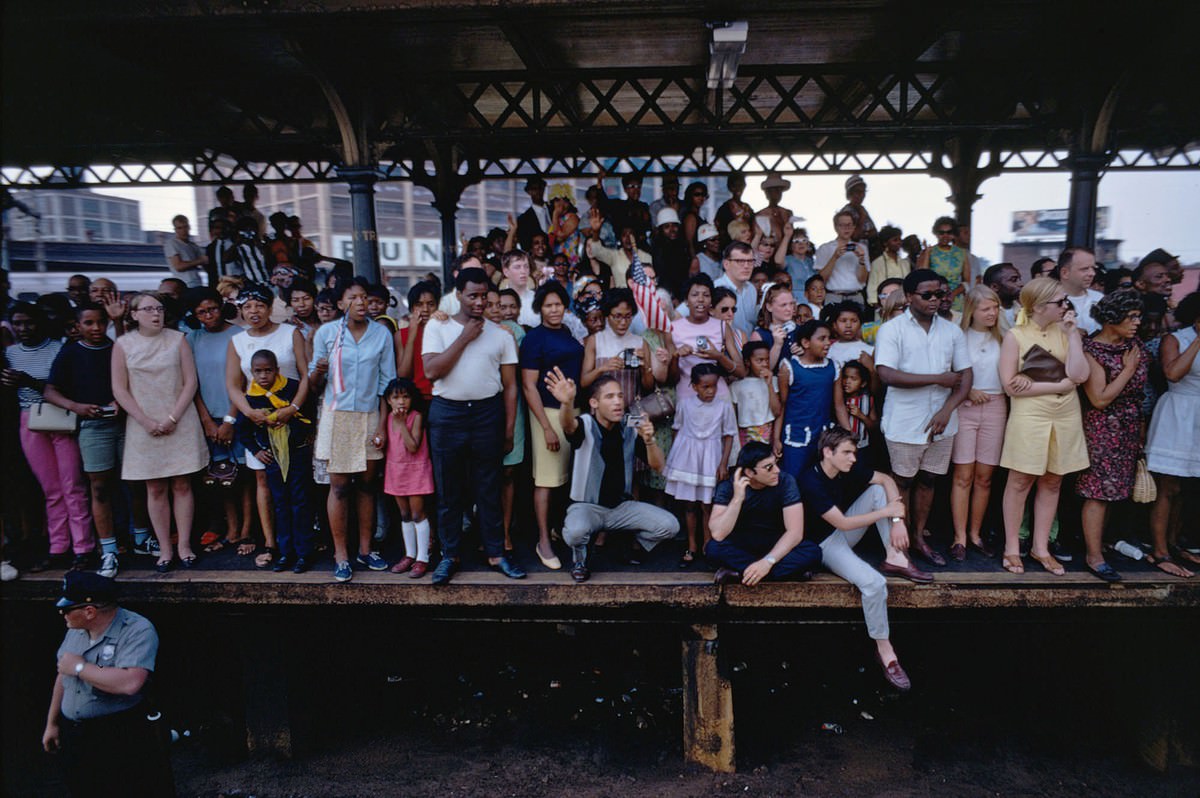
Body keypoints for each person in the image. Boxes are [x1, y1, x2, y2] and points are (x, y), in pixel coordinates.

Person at [800, 427, 930, 692]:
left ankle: (896, 557)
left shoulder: (847, 467)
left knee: (878, 492)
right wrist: (888, 511)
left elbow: (886, 479)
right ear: (828, 452)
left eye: (854, 453)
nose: (853, 458)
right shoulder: (810, 481)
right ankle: (886, 652)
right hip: (825, 545)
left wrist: (896, 520)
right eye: (847, 453)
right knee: (874, 584)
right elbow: (843, 523)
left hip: (842, 533)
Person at [422, 268, 524, 585]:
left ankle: (496, 553)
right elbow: (431, 371)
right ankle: (449, 556)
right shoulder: (437, 327)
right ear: (458, 295)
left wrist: (508, 429)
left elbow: (510, 387)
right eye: (473, 296)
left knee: (488, 488)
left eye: (484, 296)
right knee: (449, 491)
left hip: (486, 412)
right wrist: (465, 339)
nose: (479, 302)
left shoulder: (501, 335)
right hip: (447, 412)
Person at [42, 571, 174, 798]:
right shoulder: (75, 631)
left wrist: (81, 668)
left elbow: (131, 682)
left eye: (66, 610)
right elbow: (63, 676)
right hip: (76, 733)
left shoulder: (136, 630)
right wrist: (52, 723)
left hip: (118, 733)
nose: (62, 615)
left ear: (89, 611)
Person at [874, 269, 973, 566]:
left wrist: (947, 409)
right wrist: (938, 379)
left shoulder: (952, 331)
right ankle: (897, 544)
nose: (935, 300)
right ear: (908, 297)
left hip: (943, 421)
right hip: (905, 421)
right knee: (901, 481)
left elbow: (966, 376)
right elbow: (886, 374)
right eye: (926, 295)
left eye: (940, 294)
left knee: (929, 479)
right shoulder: (892, 330)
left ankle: (918, 537)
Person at [544, 369, 678, 582]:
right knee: (576, 531)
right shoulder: (585, 423)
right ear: (594, 403)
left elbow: (659, 466)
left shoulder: (630, 423)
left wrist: (650, 440)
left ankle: (625, 542)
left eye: (620, 396)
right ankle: (580, 559)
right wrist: (567, 403)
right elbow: (568, 425)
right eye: (609, 397)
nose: (617, 402)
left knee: (669, 526)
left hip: (621, 507)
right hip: (587, 506)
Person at [997, 277, 1090, 575]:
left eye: (1067, 302)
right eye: (1060, 302)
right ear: (1038, 307)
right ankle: (1012, 547)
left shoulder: (1066, 332)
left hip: (1065, 414)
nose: (1066, 307)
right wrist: (1057, 384)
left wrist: (1073, 336)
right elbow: (1010, 385)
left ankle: (1040, 547)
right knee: (1020, 480)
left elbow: (1079, 375)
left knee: (1053, 480)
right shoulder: (1016, 336)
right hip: (1031, 415)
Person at [112, 292, 207, 572]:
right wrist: (145, 421)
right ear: (134, 314)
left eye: (159, 309)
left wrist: (172, 417)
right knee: (154, 488)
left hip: (179, 417)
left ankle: (185, 545)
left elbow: (190, 382)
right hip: (143, 423)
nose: (156, 314)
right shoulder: (123, 344)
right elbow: (119, 389)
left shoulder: (178, 339)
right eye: (148, 309)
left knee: (182, 484)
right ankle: (164, 548)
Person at [309, 278, 396, 582]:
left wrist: (383, 425)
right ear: (341, 303)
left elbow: (388, 385)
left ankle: (366, 549)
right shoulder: (327, 333)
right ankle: (341, 554)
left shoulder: (381, 334)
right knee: (340, 487)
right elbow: (314, 384)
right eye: (353, 297)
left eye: (364, 297)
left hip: (371, 414)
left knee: (367, 486)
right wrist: (318, 372)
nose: (361, 302)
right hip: (338, 416)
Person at [2, 303, 94, 569]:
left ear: (40, 322)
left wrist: (28, 380)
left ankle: (83, 547)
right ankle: (58, 547)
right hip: (29, 419)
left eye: (28, 322)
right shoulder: (10, 354)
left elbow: (69, 385)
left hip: (61, 417)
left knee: (73, 486)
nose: (23, 329)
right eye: (17, 323)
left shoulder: (59, 349)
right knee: (51, 489)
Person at [225, 283, 309, 569]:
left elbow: (304, 375)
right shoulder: (237, 341)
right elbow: (233, 385)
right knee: (266, 484)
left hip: (292, 421)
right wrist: (249, 413)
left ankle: (302, 548)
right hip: (258, 425)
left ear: (270, 307)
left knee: (297, 492)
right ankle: (274, 544)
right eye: (247, 307)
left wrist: (293, 408)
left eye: (259, 305)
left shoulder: (290, 333)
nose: (253, 311)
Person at [43, 304, 122, 577]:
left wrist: (122, 400)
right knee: (98, 488)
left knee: (135, 485)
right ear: (78, 326)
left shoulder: (116, 347)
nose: (96, 328)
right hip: (92, 425)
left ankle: (140, 539)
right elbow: (50, 390)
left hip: (126, 423)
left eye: (101, 322)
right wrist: (75, 406)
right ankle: (108, 549)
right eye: (89, 323)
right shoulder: (71, 353)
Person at [1076, 289, 1150, 582]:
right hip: (1104, 426)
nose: (1137, 323)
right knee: (1099, 491)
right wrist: (1128, 369)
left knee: (1116, 491)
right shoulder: (1092, 349)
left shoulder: (1134, 344)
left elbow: (1140, 390)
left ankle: (1101, 544)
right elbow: (1099, 398)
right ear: (1111, 318)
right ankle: (1094, 556)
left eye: (1139, 316)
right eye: (1131, 317)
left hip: (1130, 425)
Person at [520, 282, 585, 570]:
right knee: (546, 480)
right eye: (548, 305)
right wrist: (546, 426)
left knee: (568, 479)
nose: (554, 309)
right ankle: (543, 540)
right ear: (540, 309)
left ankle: (560, 530)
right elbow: (528, 386)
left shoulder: (568, 333)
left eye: (558, 304)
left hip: (574, 410)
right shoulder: (534, 339)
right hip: (547, 412)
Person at [184, 289, 248, 554]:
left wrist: (230, 419)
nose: (209, 315)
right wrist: (208, 421)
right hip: (209, 417)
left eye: (212, 309)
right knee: (222, 476)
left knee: (245, 475)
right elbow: (191, 384)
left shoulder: (239, 335)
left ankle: (246, 531)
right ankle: (231, 529)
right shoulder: (192, 339)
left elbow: (243, 381)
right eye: (202, 312)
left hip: (239, 414)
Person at [237, 349, 313, 573]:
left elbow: (308, 413)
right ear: (251, 373)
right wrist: (256, 451)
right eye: (258, 372)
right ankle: (285, 552)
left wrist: (307, 434)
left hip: (297, 454)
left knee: (300, 502)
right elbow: (243, 430)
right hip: (272, 458)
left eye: (268, 371)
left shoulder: (291, 387)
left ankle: (303, 553)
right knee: (280, 504)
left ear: (277, 370)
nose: (263, 376)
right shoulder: (251, 397)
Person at [706, 441, 822, 585]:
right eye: (769, 468)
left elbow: (795, 533)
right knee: (713, 549)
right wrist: (737, 499)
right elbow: (718, 533)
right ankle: (783, 574)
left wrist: (767, 562)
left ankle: (740, 575)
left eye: (776, 464)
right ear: (750, 472)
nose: (777, 470)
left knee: (812, 552)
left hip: (777, 545)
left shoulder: (786, 482)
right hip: (744, 545)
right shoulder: (729, 486)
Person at [1144, 291, 1200, 578]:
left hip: (1198, 417)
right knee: (1168, 485)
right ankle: (1159, 549)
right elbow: (1173, 374)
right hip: (1178, 412)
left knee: (1187, 487)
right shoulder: (1176, 338)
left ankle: (1175, 542)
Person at [948, 286, 1006, 561]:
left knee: (985, 477)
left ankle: (975, 534)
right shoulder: (959, 336)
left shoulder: (1004, 338)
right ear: (972, 310)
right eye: (986, 308)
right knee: (963, 475)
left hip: (995, 406)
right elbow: (948, 371)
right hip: (966, 407)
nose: (992, 313)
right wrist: (967, 390)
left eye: (995, 308)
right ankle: (959, 537)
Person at [664, 364, 737, 566]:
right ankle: (692, 545)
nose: (710, 391)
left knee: (707, 504)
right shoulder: (685, 404)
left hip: (710, 457)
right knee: (689, 505)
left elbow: (729, 436)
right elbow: (677, 429)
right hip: (688, 458)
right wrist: (675, 460)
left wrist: (723, 463)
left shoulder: (723, 406)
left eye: (713, 386)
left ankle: (708, 544)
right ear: (694, 386)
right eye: (705, 386)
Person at [379, 378, 435, 578]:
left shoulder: (416, 417)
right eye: (396, 397)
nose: (401, 401)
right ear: (388, 400)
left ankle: (423, 558)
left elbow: (413, 447)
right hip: (396, 471)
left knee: (418, 513)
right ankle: (409, 554)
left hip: (416, 470)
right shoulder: (387, 419)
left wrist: (402, 424)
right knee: (404, 514)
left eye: (405, 397)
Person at [775, 319, 838, 477]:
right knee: (793, 478)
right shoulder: (789, 368)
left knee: (820, 479)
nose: (827, 343)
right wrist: (776, 438)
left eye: (829, 338)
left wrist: (847, 434)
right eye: (821, 338)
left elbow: (839, 405)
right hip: (796, 437)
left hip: (823, 436)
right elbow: (782, 405)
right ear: (805, 342)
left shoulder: (833, 367)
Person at [672, 274, 745, 402]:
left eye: (706, 295)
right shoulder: (673, 328)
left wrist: (719, 357)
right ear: (686, 301)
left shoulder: (722, 327)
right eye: (694, 295)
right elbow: (671, 379)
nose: (700, 299)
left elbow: (741, 372)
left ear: (711, 301)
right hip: (687, 397)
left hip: (719, 396)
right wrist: (676, 356)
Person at [731, 341, 781, 445]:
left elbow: (777, 412)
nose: (765, 364)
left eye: (767, 359)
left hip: (767, 431)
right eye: (759, 360)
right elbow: (733, 418)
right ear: (747, 362)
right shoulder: (737, 386)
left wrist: (769, 384)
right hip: (745, 434)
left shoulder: (773, 381)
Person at [815, 211, 868, 307]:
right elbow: (821, 279)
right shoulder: (825, 248)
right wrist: (835, 257)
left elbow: (862, 279)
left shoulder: (862, 248)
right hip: (833, 296)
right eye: (842, 225)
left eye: (849, 225)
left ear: (854, 227)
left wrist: (861, 260)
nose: (846, 228)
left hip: (856, 295)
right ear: (835, 227)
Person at [917, 217, 971, 313]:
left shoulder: (961, 253)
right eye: (941, 233)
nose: (945, 236)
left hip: (955, 301)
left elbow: (967, 281)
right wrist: (927, 254)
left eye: (949, 232)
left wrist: (953, 294)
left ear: (954, 234)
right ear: (936, 234)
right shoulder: (929, 251)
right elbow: (922, 276)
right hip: (934, 299)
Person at [749, 283, 797, 371]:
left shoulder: (799, 330)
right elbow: (761, 371)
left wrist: (804, 353)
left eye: (791, 304)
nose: (789, 309)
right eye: (783, 305)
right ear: (769, 307)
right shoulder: (759, 335)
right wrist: (777, 345)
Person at [1056, 247, 1103, 335]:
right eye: (1085, 269)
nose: (1092, 273)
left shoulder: (1100, 298)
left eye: (1093, 268)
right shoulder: (1048, 302)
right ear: (1064, 273)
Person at [836, 359, 876, 451]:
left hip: (862, 446)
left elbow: (874, 427)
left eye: (853, 378)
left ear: (863, 383)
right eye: (845, 377)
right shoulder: (839, 401)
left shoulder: (868, 400)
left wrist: (861, 415)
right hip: (840, 445)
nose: (847, 381)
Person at [866, 225, 910, 306]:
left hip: (904, 304)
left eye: (900, 239)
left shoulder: (905, 263)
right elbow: (872, 288)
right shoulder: (877, 263)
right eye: (895, 240)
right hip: (885, 306)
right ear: (885, 243)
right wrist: (878, 307)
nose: (899, 242)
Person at [164, 214, 208, 289]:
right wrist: (200, 261)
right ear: (175, 230)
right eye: (179, 228)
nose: (183, 231)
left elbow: (206, 262)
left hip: (197, 283)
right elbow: (178, 266)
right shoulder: (172, 244)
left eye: (185, 227)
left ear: (189, 227)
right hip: (184, 285)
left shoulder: (193, 246)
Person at [840, 174, 878, 255]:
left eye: (863, 191)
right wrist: (862, 217)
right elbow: (853, 236)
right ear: (850, 193)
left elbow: (874, 232)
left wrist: (865, 234)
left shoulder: (862, 209)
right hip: (853, 255)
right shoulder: (846, 212)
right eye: (858, 192)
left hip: (868, 254)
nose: (862, 195)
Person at [780, 228, 816, 304]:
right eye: (796, 241)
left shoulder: (811, 261)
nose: (801, 244)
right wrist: (787, 237)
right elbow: (778, 261)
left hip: (813, 300)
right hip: (796, 301)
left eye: (804, 240)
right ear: (791, 245)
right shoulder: (788, 259)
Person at [983, 262, 1023, 330]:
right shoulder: (983, 315)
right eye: (1013, 280)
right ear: (994, 287)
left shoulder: (1024, 309)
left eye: (1019, 279)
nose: (1021, 284)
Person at [756, 173, 793, 242]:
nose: (777, 194)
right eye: (774, 190)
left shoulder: (787, 213)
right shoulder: (760, 214)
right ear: (767, 193)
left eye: (779, 191)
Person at [516, 176, 549, 252]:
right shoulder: (523, 220)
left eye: (540, 188)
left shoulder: (554, 209)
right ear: (528, 192)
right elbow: (525, 246)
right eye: (534, 189)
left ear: (544, 188)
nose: (538, 191)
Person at [681, 182, 710, 257]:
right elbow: (689, 242)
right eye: (697, 194)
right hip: (695, 256)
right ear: (690, 196)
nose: (701, 198)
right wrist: (694, 259)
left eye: (703, 195)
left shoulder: (697, 215)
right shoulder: (691, 217)